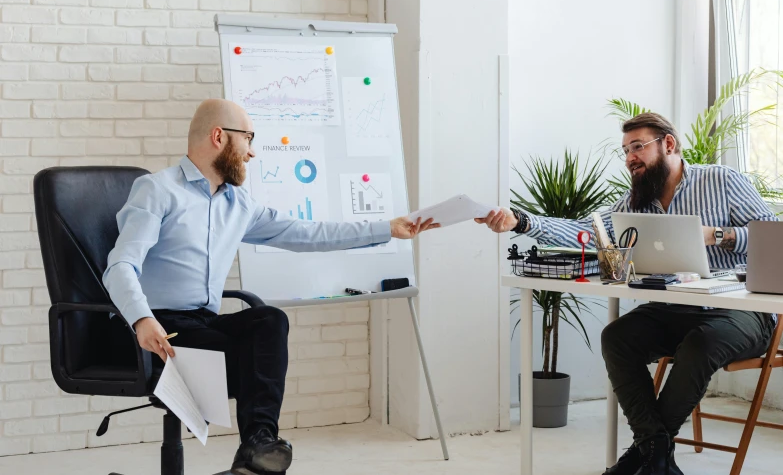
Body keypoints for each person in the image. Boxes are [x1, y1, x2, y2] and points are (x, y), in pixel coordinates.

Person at [103, 99, 438, 475]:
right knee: (247, 352)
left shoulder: (238, 204)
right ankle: (256, 462)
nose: (252, 151)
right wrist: (142, 319)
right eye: (247, 138)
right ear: (219, 136)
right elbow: (120, 266)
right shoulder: (157, 190)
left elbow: (307, 233)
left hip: (202, 324)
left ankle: (258, 447)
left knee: (268, 320)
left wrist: (386, 228)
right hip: (157, 328)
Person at [475, 113, 778, 475]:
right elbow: (589, 232)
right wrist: (523, 222)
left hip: (743, 313)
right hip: (675, 309)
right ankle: (655, 455)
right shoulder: (635, 202)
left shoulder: (722, 180)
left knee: (701, 344)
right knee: (618, 337)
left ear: (668, 144)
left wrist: (719, 235)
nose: (630, 157)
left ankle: (644, 455)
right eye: (626, 150)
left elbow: (771, 235)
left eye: (638, 147)